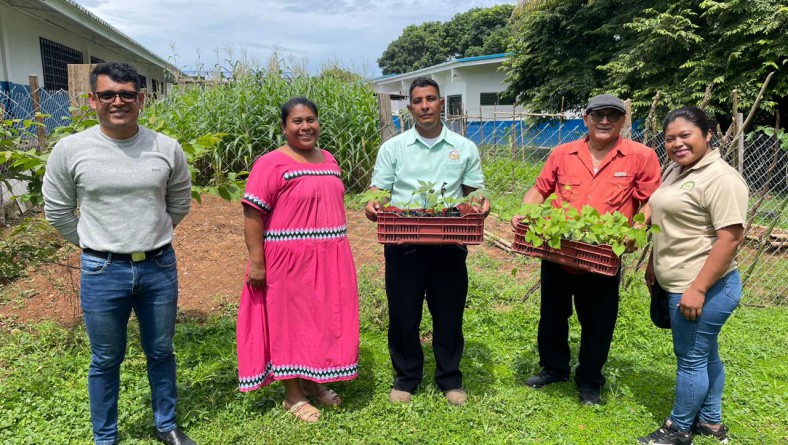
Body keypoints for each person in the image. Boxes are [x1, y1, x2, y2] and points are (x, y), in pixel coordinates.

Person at [42, 62, 195, 445]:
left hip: (158, 266)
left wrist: (150, 233)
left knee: (161, 350)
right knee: (106, 358)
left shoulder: (166, 148)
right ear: (92, 99)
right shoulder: (71, 150)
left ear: (141, 99)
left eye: (127, 94)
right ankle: (105, 437)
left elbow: (179, 202)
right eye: (108, 94)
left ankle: (166, 425)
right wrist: (95, 243)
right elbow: (57, 210)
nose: (118, 101)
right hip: (101, 270)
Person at [511, 94, 661, 405]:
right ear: (586, 119)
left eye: (612, 115)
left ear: (622, 121)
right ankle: (554, 368)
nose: (604, 121)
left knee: (598, 321)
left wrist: (636, 228)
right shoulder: (564, 153)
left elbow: (652, 201)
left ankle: (590, 380)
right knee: (552, 315)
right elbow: (539, 191)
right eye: (598, 115)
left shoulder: (640, 156)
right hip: (560, 251)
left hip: (602, 255)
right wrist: (527, 214)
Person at [364, 77, 489, 406]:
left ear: (441, 104)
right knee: (404, 313)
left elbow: (475, 192)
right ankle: (406, 378)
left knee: (448, 313)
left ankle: (450, 378)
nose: (424, 106)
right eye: (418, 101)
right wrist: (372, 204)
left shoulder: (463, 148)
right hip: (403, 240)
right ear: (409, 109)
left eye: (430, 99)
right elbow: (379, 192)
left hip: (449, 240)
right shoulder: (394, 148)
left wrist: (480, 203)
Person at [236, 97, 359, 423]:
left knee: (320, 321)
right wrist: (258, 263)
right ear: (284, 127)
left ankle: (314, 381)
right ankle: (292, 396)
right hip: (288, 262)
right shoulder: (271, 164)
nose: (305, 127)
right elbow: (252, 214)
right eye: (297, 121)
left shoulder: (329, 159)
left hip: (329, 257)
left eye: (311, 120)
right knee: (289, 326)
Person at [638, 107, 747, 445]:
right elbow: (664, 220)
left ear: (707, 134)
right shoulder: (677, 170)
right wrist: (654, 262)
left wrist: (698, 289)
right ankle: (711, 423)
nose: (677, 143)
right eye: (670, 138)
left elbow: (730, 238)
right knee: (705, 353)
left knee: (691, 358)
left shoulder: (721, 179)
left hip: (706, 287)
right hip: (678, 282)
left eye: (685, 135)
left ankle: (678, 428)